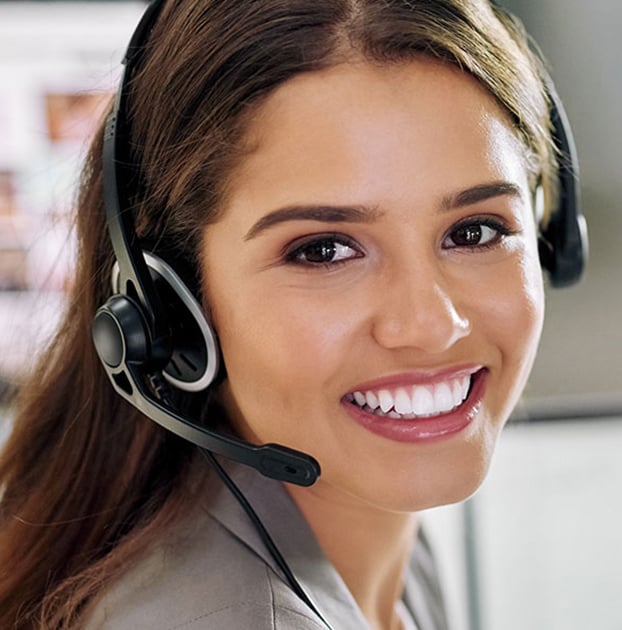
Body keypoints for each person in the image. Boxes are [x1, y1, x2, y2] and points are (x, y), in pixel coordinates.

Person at [0, 0, 584, 627]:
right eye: (324, 250)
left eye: (474, 232)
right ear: (171, 301)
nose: (430, 325)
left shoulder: (373, 539)